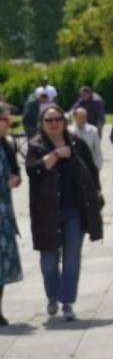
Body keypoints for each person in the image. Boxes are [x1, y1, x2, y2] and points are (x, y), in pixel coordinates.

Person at [25, 105, 103, 322]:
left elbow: (92, 173)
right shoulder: (36, 146)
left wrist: (95, 197)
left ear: (64, 120)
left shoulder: (78, 143)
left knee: (72, 258)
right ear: (42, 124)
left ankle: (67, 302)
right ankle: (52, 296)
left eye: (58, 119)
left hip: (74, 210)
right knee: (49, 260)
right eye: (49, 120)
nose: (54, 123)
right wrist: (57, 155)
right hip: (46, 212)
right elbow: (33, 170)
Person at [0, 104, 24, 326]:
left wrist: (15, 179)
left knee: (1, 265)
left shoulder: (7, 145)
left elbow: (16, 171)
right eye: (5, 120)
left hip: (4, 213)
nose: (8, 124)